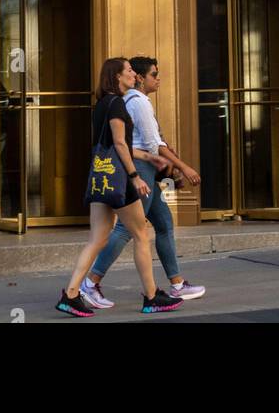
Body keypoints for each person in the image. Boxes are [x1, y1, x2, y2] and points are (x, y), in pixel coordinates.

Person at [56, 57, 183, 316]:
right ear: (117, 76)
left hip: (101, 178)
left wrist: (149, 157)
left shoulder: (102, 104)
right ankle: (151, 297)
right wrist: (136, 176)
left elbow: (113, 145)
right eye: (128, 71)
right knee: (140, 235)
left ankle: (70, 294)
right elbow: (119, 144)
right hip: (121, 181)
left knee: (96, 239)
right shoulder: (117, 104)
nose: (133, 74)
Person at [80, 55, 206, 308]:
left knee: (163, 222)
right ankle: (91, 282)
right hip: (140, 170)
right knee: (128, 229)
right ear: (138, 76)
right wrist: (182, 166)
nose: (158, 79)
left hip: (144, 167)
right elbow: (152, 143)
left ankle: (177, 283)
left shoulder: (131, 101)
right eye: (153, 75)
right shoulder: (137, 102)